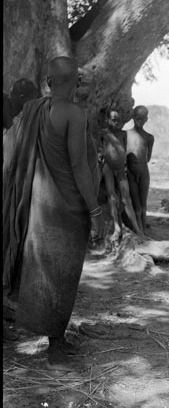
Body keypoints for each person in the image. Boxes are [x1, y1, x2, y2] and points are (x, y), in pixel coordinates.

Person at [3, 56, 104, 370]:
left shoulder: (32, 110)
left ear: (48, 82)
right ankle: (56, 346)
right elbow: (78, 166)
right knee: (62, 276)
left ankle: (55, 338)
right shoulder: (74, 113)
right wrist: (96, 209)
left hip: (39, 206)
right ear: (75, 81)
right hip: (68, 208)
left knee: (44, 271)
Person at [99, 108, 145, 248]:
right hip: (108, 167)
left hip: (120, 168)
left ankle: (138, 229)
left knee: (126, 199)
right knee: (112, 196)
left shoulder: (122, 134)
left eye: (118, 120)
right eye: (113, 119)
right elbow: (101, 149)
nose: (116, 122)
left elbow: (122, 149)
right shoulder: (103, 133)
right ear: (107, 120)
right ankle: (117, 228)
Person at [126, 105, 154, 234]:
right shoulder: (126, 135)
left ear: (146, 119)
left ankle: (143, 229)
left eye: (142, 119)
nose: (139, 121)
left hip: (143, 171)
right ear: (132, 118)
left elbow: (148, 157)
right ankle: (139, 231)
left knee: (143, 203)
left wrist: (139, 165)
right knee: (135, 202)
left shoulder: (149, 137)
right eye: (137, 118)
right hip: (131, 172)